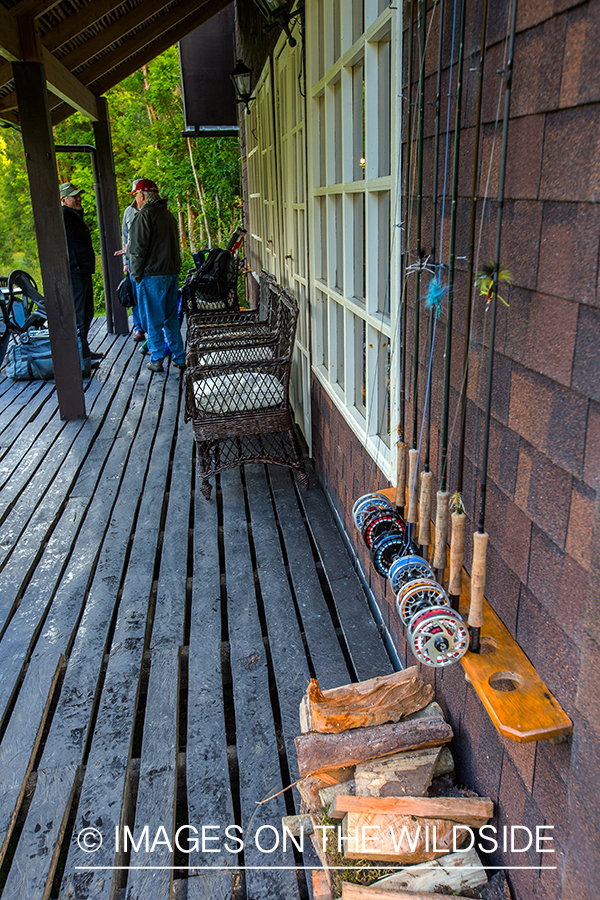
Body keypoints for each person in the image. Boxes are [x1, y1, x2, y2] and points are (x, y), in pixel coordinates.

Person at [127, 179, 186, 373]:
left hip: (152, 276)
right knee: (170, 318)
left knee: (152, 319)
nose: (136, 199)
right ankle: (179, 357)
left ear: (142, 196)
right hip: (171, 274)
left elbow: (137, 250)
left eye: (136, 195)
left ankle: (156, 358)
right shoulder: (168, 216)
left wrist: (135, 275)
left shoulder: (144, 216)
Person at [60, 182, 102, 366]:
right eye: (74, 196)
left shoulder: (74, 216)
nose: (79, 198)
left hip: (83, 270)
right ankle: (80, 357)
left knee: (87, 312)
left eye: (79, 195)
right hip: (75, 271)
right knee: (79, 315)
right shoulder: (63, 216)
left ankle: (83, 350)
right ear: (63, 200)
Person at [114, 178, 146, 342]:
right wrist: (125, 262)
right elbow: (125, 236)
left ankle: (152, 330)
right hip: (132, 262)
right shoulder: (129, 212)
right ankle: (139, 328)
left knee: (147, 297)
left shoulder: (150, 211)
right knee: (133, 296)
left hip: (148, 264)